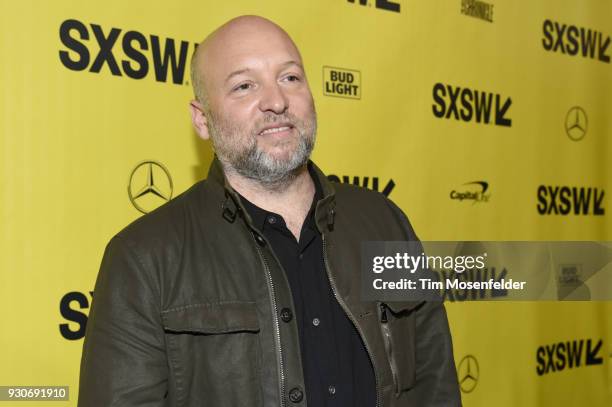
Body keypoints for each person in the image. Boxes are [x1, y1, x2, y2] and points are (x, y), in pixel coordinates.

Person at [78, 15, 461, 407]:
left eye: (290, 78)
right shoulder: (144, 257)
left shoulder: (384, 223)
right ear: (201, 119)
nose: (276, 101)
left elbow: (436, 385)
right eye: (244, 86)